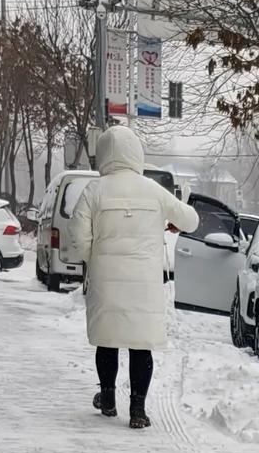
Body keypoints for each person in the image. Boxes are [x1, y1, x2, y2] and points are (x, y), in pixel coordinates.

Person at [69, 127, 197, 428]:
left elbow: (77, 235)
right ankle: (138, 410)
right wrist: (174, 223)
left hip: (105, 280)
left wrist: (94, 258)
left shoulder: (94, 190)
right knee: (141, 344)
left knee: (108, 340)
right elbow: (190, 219)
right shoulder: (152, 190)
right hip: (145, 283)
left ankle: (109, 399)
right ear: (136, 154)